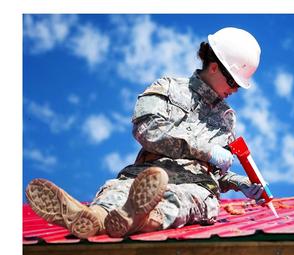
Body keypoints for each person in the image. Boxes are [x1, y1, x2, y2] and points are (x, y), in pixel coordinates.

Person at [25, 27, 265, 239]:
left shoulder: (226, 121)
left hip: (195, 185)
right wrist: (205, 150)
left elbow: (213, 169)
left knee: (184, 201)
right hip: (145, 177)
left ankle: (135, 219)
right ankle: (92, 219)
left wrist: (240, 183)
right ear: (214, 67)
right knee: (117, 192)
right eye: (233, 82)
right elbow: (147, 130)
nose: (235, 90)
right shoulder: (168, 88)